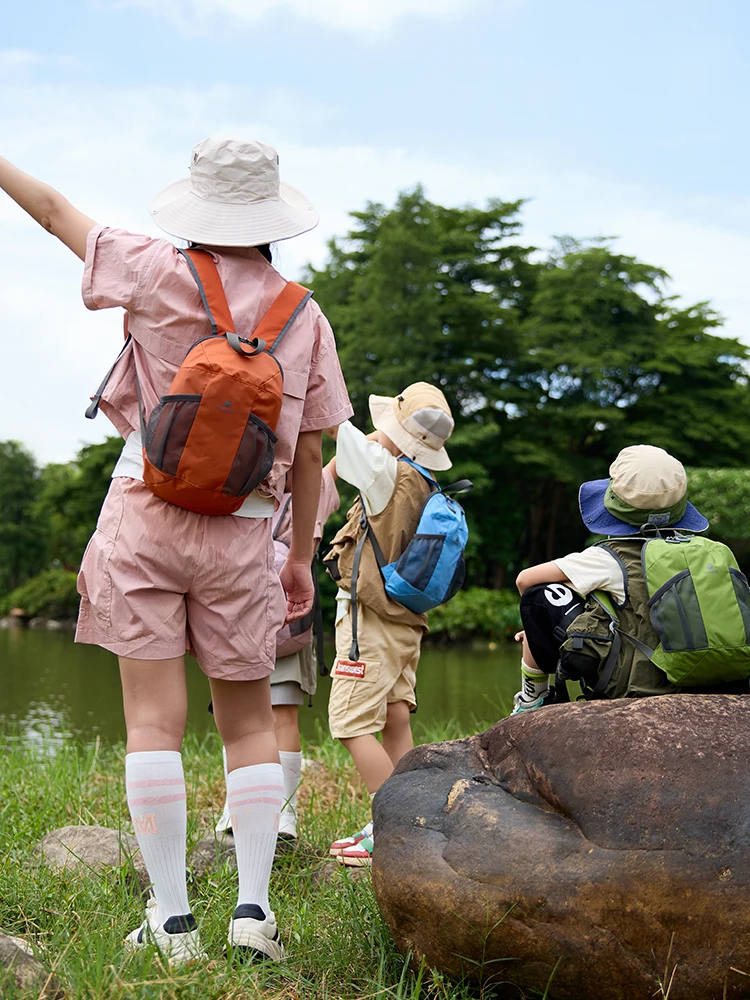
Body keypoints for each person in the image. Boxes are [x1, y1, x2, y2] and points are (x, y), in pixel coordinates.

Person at [0, 137, 352, 963]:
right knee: (249, 724)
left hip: (145, 514)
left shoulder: (156, 269)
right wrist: (297, 557)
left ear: (197, 205)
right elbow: (309, 453)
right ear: (272, 218)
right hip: (246, 530)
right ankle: (253, 915)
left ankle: (172, 923)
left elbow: (52, 212)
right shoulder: (304, 316)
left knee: (152, 722)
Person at [322, 382, 455, 866]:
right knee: (395, 717)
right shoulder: (425, 481)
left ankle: (392, 826)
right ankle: (413, 819)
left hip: (372, 623)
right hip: (406, 623)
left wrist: (382, 437)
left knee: (350, 723)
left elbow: (337, 429)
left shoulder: (386, 473)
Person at [512, 445, 713, 711]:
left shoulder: (607, 558)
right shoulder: (706, 554)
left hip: (638, 683)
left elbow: (526, 581)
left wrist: (539, 630)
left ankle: (532, 699)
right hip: (701, 675)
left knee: (542, 596)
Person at [215, 464, 340, 842]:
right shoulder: (313, 486)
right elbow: (332, 464)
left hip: (235, 615)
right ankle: (285, 815)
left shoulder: (236, 478)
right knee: (282, 717)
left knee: (235, 718)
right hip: (290, 618)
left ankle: (236, 808)